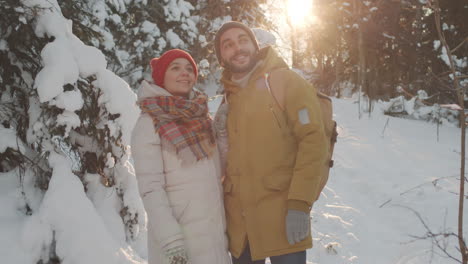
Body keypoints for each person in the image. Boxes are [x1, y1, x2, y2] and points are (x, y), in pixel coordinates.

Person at [212, 21, 328, 264]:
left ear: (255, 46)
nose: (238, 48)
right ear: (222, 57)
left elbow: (313, 141)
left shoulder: (285, 81)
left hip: (282, 216)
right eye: (228, 45)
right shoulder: (227, 98)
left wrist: (299, 203)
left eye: (243, 40)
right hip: (240, 226)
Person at [131, 49, 231, 264]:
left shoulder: (201, 117)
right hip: (180, 240)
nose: (184, 73)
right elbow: (150, 188)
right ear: (161, 77)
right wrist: (171, 239)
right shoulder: (150, 122)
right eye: (175, 68)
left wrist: (221, 134)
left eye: (189, 69)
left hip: (212, 234)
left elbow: (216, 173)